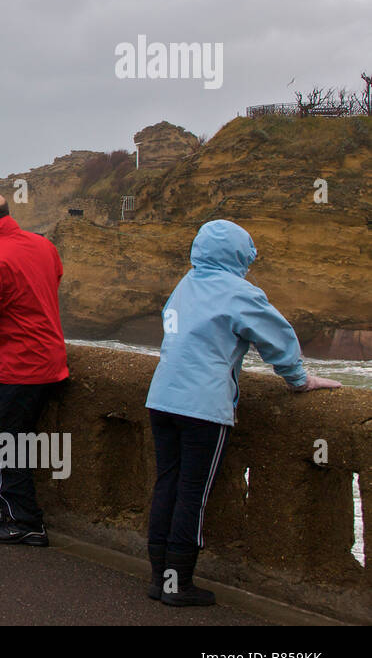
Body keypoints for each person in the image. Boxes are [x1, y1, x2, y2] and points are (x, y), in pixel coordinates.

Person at [144, 219, 340, 606]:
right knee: (192, 495)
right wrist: (299, 379)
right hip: (202, 407)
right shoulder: (240, 292)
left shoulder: (187, 284)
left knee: (166, 485)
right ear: (239, 255)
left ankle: (159, 580)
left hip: (162, 398)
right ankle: (178, 585)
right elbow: (277, 338)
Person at [0, 192, 69, 546]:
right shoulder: (42, 246)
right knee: (7, 437)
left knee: (9, 444)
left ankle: (26, 521)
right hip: (49, 358)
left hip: (19, 367)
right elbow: (52, 281)